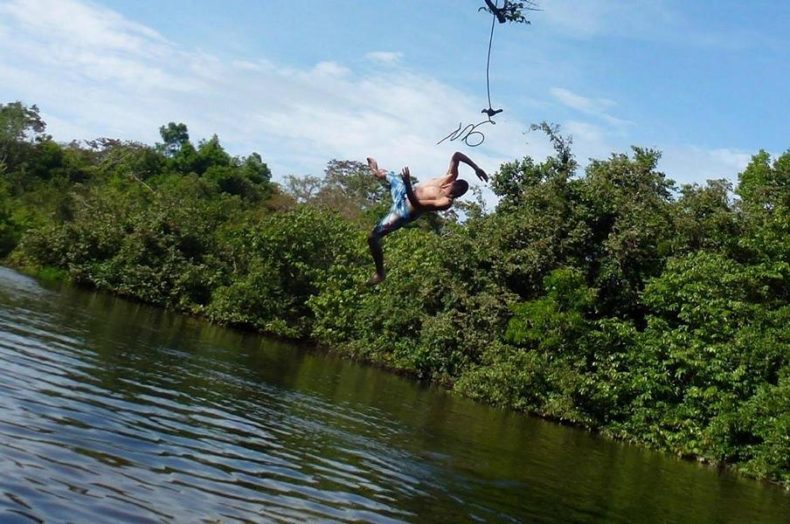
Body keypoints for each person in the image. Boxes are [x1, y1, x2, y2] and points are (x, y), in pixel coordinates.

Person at [366, 152, 488, 284]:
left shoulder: (445, 202)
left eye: (455, 193)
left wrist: (407, 184)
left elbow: (416, 204)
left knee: (373, 237)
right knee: (382, 173)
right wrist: (476, 168)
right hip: (403, 191)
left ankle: (380, 273)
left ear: (457, 194)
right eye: (452, 188)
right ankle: (374, 170)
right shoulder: (449, 177)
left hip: (403, 211)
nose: (451, 192)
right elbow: (456, 155)